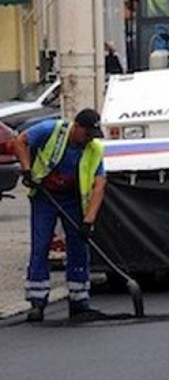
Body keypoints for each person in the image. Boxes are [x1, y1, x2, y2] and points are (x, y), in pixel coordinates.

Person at [14, 109, 107, 322]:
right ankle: (37, 302)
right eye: (87, 135)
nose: (89, 140)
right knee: (41, 245)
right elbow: (20, 141)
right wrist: (27, 171)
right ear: (77, 127)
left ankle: (79, 301)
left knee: (78, 246)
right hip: (44, 197)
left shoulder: (94, 150)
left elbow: (99, 186)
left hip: (72, 200)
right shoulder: (51, 130)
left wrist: (88, 221)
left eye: (93, 136)